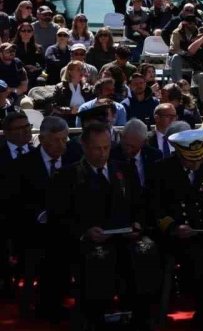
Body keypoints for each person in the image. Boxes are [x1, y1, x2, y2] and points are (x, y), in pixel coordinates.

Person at [47, 122, 160, 329]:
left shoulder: (124, 169)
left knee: (147, 250)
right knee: (98, 258)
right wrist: (85, 232)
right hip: (90, 239)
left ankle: (140, 314)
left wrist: (138, 225)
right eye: (96, 148)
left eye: (106, 148)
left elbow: (141, 204)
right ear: (84, 146)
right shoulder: (67, 176)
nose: (102, 153)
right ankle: (96, 317)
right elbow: (59, 217)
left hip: (126, 236)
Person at [149, 128, 203, 330]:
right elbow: (154, 208)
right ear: (178, 152)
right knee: (197, 256)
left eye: (199, 159)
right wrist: (174, 227)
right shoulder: (161, 170)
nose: (195, 164)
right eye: (190, 160)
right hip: (177, 234)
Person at [11, 116, 80, 322]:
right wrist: (40, 214)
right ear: (42, 139)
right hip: (35, 230)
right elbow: (16, 203)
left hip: (72, 225)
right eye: (56, 141)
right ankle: (49, 306)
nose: (61, 145)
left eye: (64, 140)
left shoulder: (74, 157)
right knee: (53, 249)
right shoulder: (24, 165)